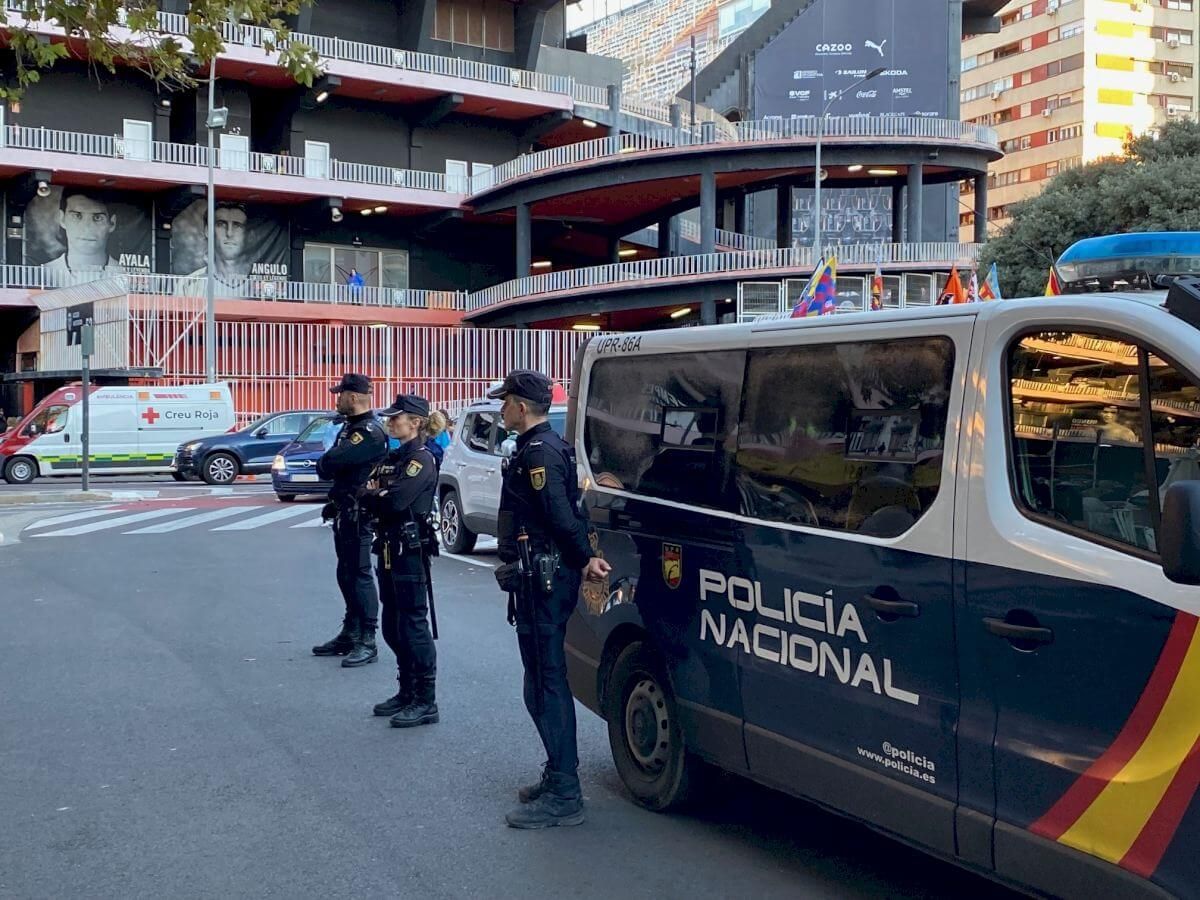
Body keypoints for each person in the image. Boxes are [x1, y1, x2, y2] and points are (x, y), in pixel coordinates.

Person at [490, 369, 611, 829]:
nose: (501, 408)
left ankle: (565, 790)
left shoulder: (539, 450)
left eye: (506, 402)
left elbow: (559, 512)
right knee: (540, 679)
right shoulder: (542, 446)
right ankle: (557, 773)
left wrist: (583, 559)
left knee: (545, 681)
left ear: (522, 407)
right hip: (541, 575)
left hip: (543, 576)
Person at [362, 394, 440, 727]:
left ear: (416, 422)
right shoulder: (394, 458)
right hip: (388, 547)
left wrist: (375, 495)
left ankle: (425, 699)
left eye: (397, 418)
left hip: (409, 550)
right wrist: (374, 495)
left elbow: (395, 500)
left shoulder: (420, 460)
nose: (390, 422)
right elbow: (366, 492)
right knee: (393, 624)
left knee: (413, 624)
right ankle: (406, 689)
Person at [313, 373, 389, 667]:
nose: (336, 399)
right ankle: (351, 630)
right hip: (344, 509)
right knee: (346, 572)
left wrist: (329, 462)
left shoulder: (368, 432)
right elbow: (330, 465)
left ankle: (367, 638)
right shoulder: (351, 428)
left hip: (360, 512)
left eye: (340, 394)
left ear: (354, 397)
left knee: (359, 574)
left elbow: (329, 463)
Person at [42, 189, 122, 284]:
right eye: (77, 216)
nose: (87, 228)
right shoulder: (43, 273)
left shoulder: (126, 276)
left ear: (112, 223)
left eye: (97, 218)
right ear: (62, 219)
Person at [178, 202, 253, 297]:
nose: (229, 233)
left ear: (249, 235)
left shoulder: (259, 282)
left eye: (237, 226)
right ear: (207, 230)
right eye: (221, 224)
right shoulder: (188, 285)